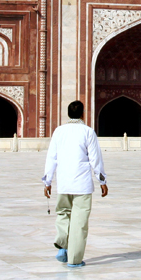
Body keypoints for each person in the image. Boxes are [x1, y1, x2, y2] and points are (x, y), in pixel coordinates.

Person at [42, 100, 108, 268]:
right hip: (82, 185)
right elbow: (95, 159)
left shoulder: (59, 131)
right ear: (83, 114)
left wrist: (47, 181)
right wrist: (102, 181)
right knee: (79, 223)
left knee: (63, 214)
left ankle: (62, 246)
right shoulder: (88, 132)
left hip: (63, 183)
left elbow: (52, 157)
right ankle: (74, 260)